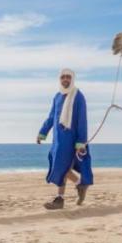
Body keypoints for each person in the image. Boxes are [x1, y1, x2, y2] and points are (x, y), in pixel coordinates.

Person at [37, 68, 93, 209]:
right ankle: (80, 184)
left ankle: (60, 199)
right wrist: (42, 133)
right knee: (63, 168)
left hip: (71, 140)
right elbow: (51, 117)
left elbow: (82, 120)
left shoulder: (78, 96)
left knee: (61, 168)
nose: (65, 79)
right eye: (63, 77)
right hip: (57, 140)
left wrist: (81, 141)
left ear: (72, 79)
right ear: (60, 79)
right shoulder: (57, 97)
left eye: (68, 77)